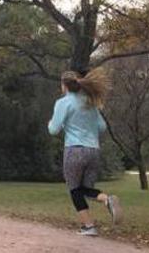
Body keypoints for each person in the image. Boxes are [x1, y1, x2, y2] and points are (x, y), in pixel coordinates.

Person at [48, 69, 122, 237]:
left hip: (74, 150)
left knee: (74, 189)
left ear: (64, 85)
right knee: (85, 189)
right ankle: (106, 199)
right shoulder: (89, 103)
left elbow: (54, 129)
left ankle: (89, 226)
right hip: (93, 151)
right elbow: (102, 127)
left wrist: (50, 123)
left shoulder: (63, 103)